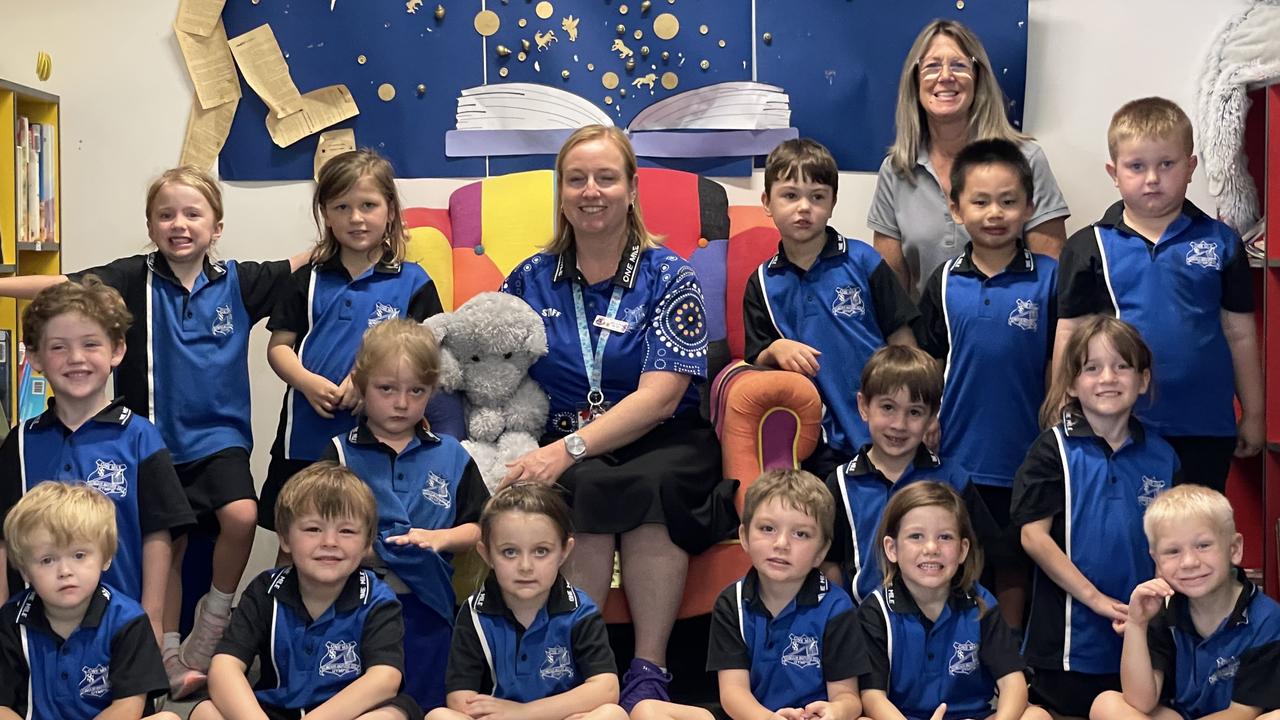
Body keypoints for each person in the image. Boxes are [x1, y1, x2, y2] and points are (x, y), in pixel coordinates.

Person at [0, 166, 309, 694]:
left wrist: (357, 229)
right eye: (165, 215)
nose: (179, 224)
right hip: (157, 439)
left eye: (193, 214)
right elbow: (62, 284)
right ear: (149, 224)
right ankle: (165, 651)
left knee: (241, 516)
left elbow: (305, 262)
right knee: (164, 543)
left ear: (216, 226)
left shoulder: (239, 280)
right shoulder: (130, 277)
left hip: (219, 440)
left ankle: (212, 622)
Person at [500, 124, 734, 708]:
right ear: (561, 194)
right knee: (584, 485)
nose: (591, 191)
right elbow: (487, 367)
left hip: (664, 435)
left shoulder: (671, 275)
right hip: (562, 437)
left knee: (647, 483)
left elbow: (658, 398)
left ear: (631, 189)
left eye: (606, 177)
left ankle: (649, 669)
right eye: (576, 179)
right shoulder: (529, 279)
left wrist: (567, 449)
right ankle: (583, 669)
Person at [1055, 97, 1263, 493]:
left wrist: (1253, 413)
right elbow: (1070, 334)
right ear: (1113, 173)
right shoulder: (1089, 246)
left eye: (1166, 164)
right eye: (1137, 166)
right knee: (1128, 537)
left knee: (1197, 540)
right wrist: (1061, 409)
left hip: (1204, 427)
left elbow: (1240, 335)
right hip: (1117, 425)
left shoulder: (1222, 243)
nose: (1152, 178)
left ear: (1190, 167)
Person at [0, 278, 194, 645]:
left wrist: (151, 618)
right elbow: (3, 539)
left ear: (116, 350)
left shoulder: (140, 437)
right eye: (58, 347)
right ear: (36, 358)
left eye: (91, 344)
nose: (76, 359)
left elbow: (158, 536)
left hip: (120, 629)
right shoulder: (21, 442)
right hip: (32, 632)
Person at [261, 149, 444, 533]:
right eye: (342, 207)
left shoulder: (414, 282)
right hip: (305, 434)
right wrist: (308, 383)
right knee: (297, 534)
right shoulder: (305, 277)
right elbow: (278, 347)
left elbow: (427, 357)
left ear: (390, 210)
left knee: (362, 533)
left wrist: (364, 382)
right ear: (325, 213)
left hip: (377, 439)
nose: (356, 218)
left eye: (368, 205)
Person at [915, 138, 1058, 626]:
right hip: (960, 453)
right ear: (956, 209)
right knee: (964, 558)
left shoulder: (1051, 279)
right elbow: (928, 360)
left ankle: (1012, 659)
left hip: (1029, 451)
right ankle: (965, 657)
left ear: (1029, 207)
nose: (994, 213)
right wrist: (928, 417)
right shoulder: (942, 281)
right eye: (979, 201)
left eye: (1008, 201)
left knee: (1017, 560)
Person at [1012, 316, 1181, 718]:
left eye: (1122, 366)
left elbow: (1174, 545)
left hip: (1142, 636)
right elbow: (1033, 537)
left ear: (1142, 379)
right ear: (1071, 383)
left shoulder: (1163, 456)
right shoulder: (1052, 450)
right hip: (1069, 642)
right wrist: (1096, 600)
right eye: (1092, 368)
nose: (1108, 377)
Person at [325, 318, 489, 710]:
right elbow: (320, 531)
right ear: (362, 386)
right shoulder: (340, 454)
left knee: (427, 704)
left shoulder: (451, 455)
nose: (402, 403)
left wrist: (439, 539)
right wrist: (374, 552)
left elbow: (480, 529)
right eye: (387, 389)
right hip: (353, 605)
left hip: (428, 608)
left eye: (416, 391)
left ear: (432, 391)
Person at [744, 138, 919, 476]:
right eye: (790, 195)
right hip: (820, 439)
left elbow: (904, 340)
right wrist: (777, 347)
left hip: (887, 425)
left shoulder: (864, 260)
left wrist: (916, 407)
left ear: (833, 202)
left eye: (817, 196)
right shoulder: (762, 282)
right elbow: (756, 356)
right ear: (767, 202)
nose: (804, 207)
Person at [192, 463, 419, 720]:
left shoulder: (378, 598)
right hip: (274, 712)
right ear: (285, 539)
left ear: (367, 543)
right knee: (205, 711)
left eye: (346, 531)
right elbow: (225, 666)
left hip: (347, 714)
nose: (330, 542)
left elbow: (384, 678)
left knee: (390, 716)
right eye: (313, 529)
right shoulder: (266, 590)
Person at [869, 19, 1069, 300]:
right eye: (932, 66)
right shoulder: (897, 169)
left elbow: (1052, 275)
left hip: (1014, 331)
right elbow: (892, 289)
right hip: (927, 337)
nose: (946, 76)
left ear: (978, 77)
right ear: (915, 82)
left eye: (960, 65)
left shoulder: (1026, 159)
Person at [647, 469, 866, 720]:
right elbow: (733, 693)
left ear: (821, 552)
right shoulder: (732, 602)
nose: (781, 544)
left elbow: (847, 696)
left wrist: (836, 711)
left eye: (800, 534)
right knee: (648, 709)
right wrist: (769, 719)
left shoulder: (836, 606)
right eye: (768, 528)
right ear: (744, 537)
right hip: (753, 717)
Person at [429, 483, 627, 720]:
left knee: (612, 715)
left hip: (556, 716)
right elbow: (460, 699)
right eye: (510, 552)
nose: (525, 566)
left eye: (541, 551)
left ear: (564, 551)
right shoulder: (474, 613)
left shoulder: (580, 611)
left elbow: (606, 688)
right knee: (438, 716)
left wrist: (524, 713)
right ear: (486, 554)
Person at [859, 482, 1047, 720]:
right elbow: (872, 696)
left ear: (962, 550)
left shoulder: (981, 604)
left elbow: (1013, 682)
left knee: (1037, 717)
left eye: (945, 537)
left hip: (971, 716)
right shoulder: (876, 611)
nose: (931, 548)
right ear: (892, 548)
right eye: (916, 536)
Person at [1091, 485, 1280, 720]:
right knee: (1106, 704)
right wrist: (1136, 625)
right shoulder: (1162, 608)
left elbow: (1242, 713)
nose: (1189, 562)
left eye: (1203, 545)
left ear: (1234, 549)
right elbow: (1141, 701)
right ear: (1156, 561)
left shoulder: (1267, 618)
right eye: (1172, 551)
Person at [821, 345, 989, 604]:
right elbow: (829, 561)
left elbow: (979, 552)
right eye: (888, 407)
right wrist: (842, 620)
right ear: (863, 406)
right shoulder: (841, 482)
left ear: (932, 417)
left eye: (914, 412)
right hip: (864, 623)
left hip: (940, 617)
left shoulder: (952, 479)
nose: (899, 424)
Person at [0, 482, 178, 720]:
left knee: (167, 719)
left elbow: (128, 707)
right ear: (25, 572)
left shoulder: (128, 620)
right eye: (47, 560)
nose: (65, 570)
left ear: (105, 558)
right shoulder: (11, 620)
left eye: (79, 555)